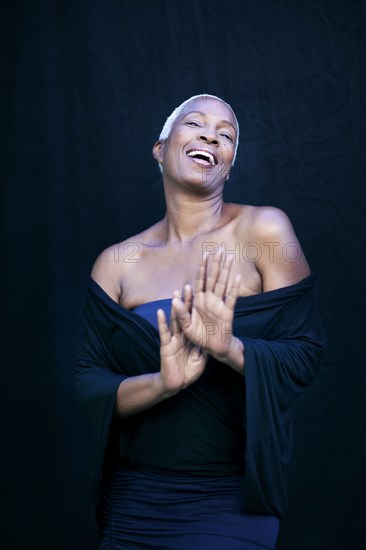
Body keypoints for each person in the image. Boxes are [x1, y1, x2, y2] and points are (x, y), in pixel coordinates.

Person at [76, 94, 326, 549]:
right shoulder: (117, 263)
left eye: (226, 134)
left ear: (227, 165)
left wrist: (228, 348)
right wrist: (162, 383)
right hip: (135, 499)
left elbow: (305, 353)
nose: (211, 134)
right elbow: (89, 383)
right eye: (195, 123)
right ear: (160, 147)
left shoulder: (265, 231)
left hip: (231, 498)